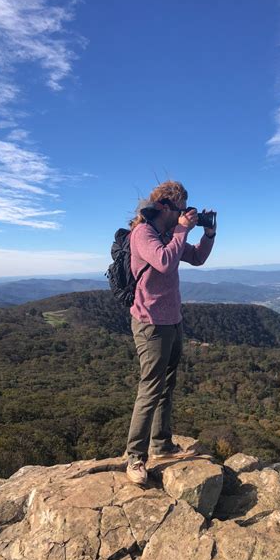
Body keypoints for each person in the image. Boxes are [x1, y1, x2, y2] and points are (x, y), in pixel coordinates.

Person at [125, 180, 216, 484]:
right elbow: (164, 262)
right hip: (150, 323)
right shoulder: (143, 233)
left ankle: (161, 444)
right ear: (164, 206)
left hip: (172, 320)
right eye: (180, 207)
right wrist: (182, 229)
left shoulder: (167, 233)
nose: (184, 213)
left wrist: (209, 233)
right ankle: (135, 459)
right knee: (150, 389)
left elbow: (198, 258)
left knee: (167, 386)